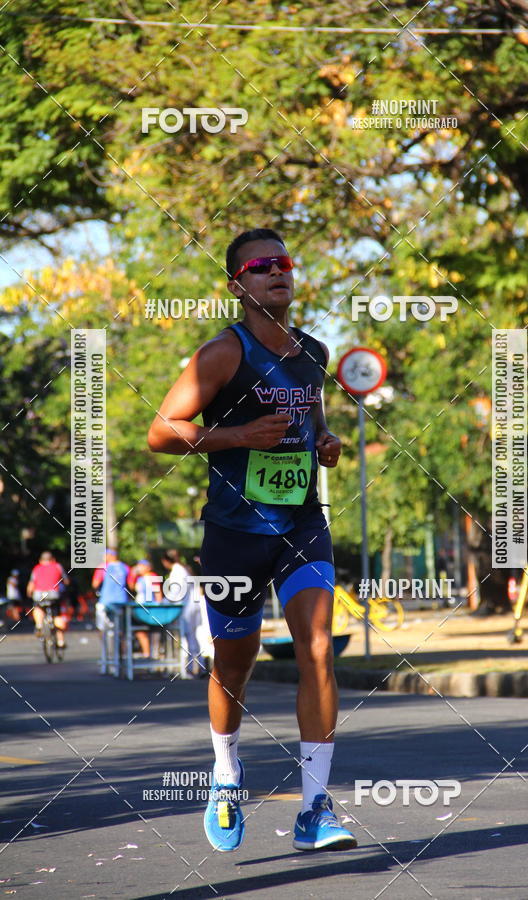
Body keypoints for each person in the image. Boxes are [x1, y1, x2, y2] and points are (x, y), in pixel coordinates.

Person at [148, 228, 356, 853]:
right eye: (262, 266)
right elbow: (161, 432)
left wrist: (325, 443)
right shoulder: (222, 353)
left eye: (284, 263)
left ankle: (315, 809)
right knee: (234, 665)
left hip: (302, 525)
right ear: (237, 285)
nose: (277, 272)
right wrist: (238, 437)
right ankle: (226, 771)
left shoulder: (313, 351)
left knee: (316, 648)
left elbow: (312, 420)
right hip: (234, 533)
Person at [162, 549, 209, 678]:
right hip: (193, 607)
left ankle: (190, 669)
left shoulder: (177, 572)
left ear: (166, 561)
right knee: (193, 638)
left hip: (186, 608)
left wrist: (163, 602)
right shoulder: (185, 569)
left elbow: (176, 592)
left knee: (187, 639)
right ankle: (200, 666)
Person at [27, 551, 69, 649]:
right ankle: (61, 641)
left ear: (40, 561)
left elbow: (31, 584)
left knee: (38, 608)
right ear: (53, 559)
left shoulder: (36, 568)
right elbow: (66, 581)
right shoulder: (57, 566)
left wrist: (29, 594)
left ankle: (39, 625)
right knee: (57, 615)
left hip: (39, 594)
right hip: (54, 594)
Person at [133, 559, 162, 657]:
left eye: (141, 566)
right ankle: (147, 653)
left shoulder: (152, 577)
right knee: (140, 632)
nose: (139, 568)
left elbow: (158, 594)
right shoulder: (139, 578)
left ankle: (153, 654)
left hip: (150, 609)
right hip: (139, 609)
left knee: (153, 632)